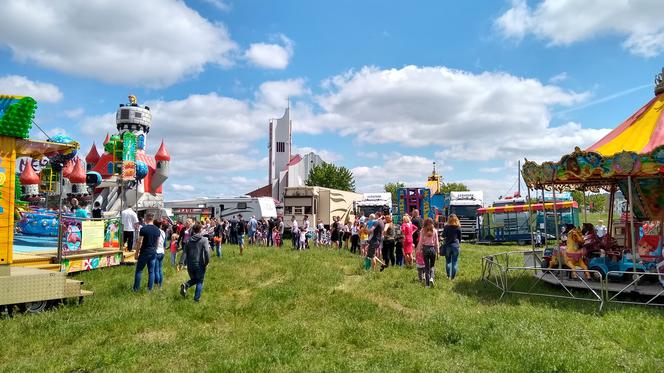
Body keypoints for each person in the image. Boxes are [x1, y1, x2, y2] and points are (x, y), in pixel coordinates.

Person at [179, 223, 211, 302]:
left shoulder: (188, 240)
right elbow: (207, 252)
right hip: (200, 264)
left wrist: (181, 263)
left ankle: (186, 285)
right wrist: (207, 262)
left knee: (195, 279)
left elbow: (184, 253)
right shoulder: (204, 240)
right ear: (200, 230)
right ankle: (196, 300)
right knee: (199, 281)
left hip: (190, 265)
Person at [132, 212, 161, 291]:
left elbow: (140, 242)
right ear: (152, 218)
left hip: (144, 252)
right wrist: (154, 250)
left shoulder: (143, 229)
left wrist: (136, 253)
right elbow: (157, 243)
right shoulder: (157, 230)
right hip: (153, 252)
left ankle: (136, 289)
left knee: (139, 270)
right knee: (151, 272)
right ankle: (149, 289)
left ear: (146, 218)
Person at [416, 218, 439, 288]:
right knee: (432, 266)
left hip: (425, 249)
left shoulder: (422, 230)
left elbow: (420, 242)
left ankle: (427, 285)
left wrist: (419, 250)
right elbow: (436, 242)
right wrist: (438, 252)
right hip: (432, 249)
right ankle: (432, 278)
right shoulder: (435, 231)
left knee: (426, 267)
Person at [441, 214, 462, 281]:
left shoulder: (446, 227)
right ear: (456, 219)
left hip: (448, 246)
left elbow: (443, 236)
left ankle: (448, 276)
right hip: (456, 246)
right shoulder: (458, 227)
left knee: (448, 261)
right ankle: (453, 278)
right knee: (455, 262)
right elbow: (460, 238)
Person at [153, 221, 166, 289]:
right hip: (162, 252)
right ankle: (160, 285)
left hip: (156, 251)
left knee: (156, 270)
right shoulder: (163, 232)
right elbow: (165, 243)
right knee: (160, 269)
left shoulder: (155, 231)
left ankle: (157, 285)